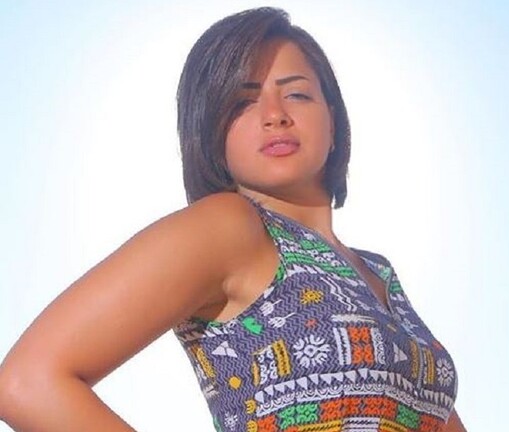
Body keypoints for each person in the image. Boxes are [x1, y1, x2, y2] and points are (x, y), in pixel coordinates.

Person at [0, 7, 465, 432]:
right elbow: (27, 382)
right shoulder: (229, 227)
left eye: (297, 94)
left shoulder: (379, 272)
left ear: (333, 119)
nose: (275, 115)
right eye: (242, 102)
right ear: (211, 131)